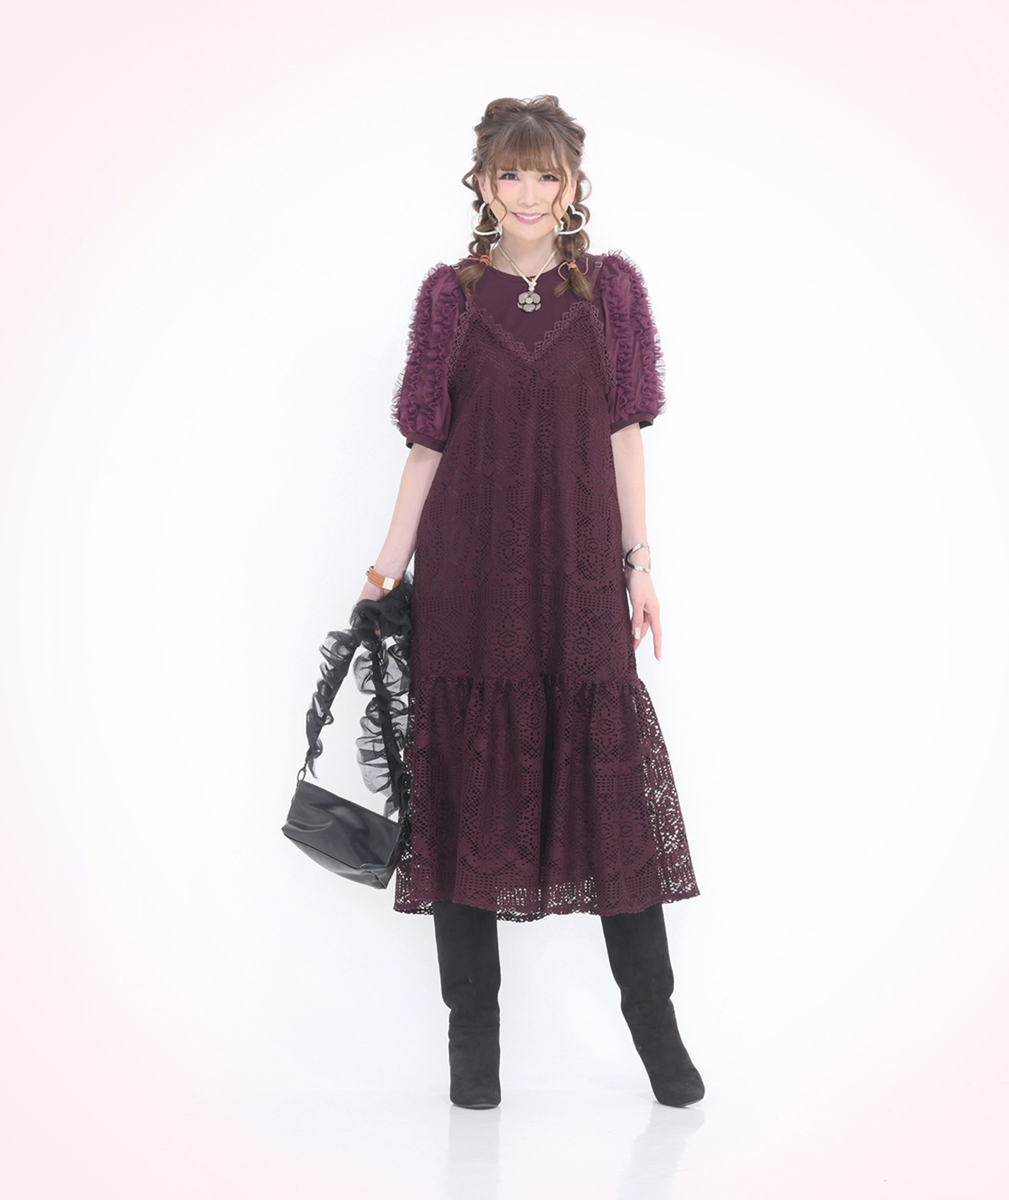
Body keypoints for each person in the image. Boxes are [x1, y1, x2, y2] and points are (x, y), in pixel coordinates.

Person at [357, 95, 703, 1110]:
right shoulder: (449, 299)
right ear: (480, 182)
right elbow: (427, 447)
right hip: (468, 580)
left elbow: (625, 437)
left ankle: (659, 1038)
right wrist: (384, 573)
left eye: (545, 174)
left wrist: (640, 564)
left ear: (573, 184)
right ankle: (473, 1052)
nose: (527, 192)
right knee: (464, 797)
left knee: (612, 800)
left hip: (579, 575)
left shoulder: (611, 293)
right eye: (510, 173)